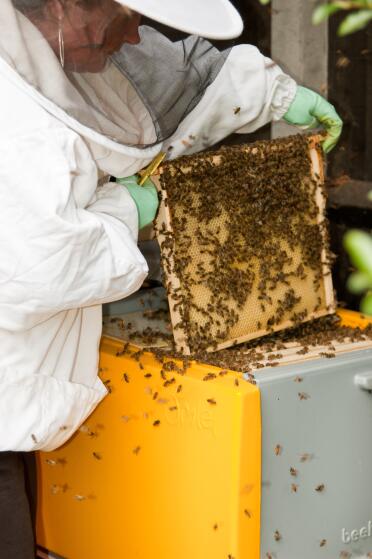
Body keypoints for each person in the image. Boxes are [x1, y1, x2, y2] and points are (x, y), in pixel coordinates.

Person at [0, 0, 342, 557]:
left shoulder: (44, 47)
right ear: (63, 4)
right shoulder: (10, 121)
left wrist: (278, 94)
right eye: (127, 17)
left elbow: (165, 78)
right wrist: (123, 212)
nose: (136, 37)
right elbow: (36, 267)